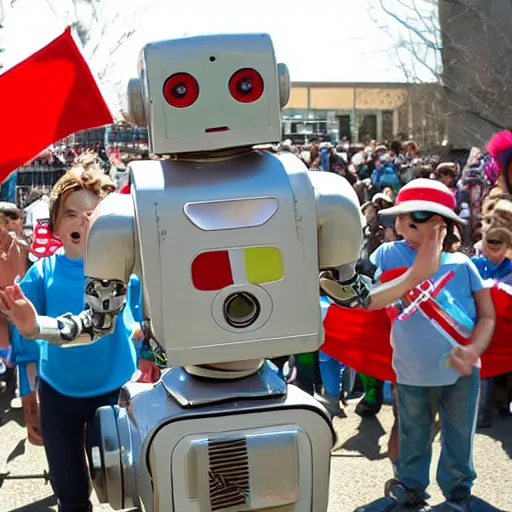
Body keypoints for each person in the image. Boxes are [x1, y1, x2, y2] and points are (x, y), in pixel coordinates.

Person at [0, 154, 148, 512]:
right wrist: (30, 393)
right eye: (71, 212)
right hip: (57, 395)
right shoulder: (41, 274)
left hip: (114, 391)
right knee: (70, 492)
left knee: (125, 486)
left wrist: (144, 348)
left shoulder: (126, 272)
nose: (83, 219)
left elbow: (142, 321)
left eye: (93, 211)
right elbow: (27, 335)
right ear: (55, 227)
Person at [356, 179, 496, 512]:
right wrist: (414, 274)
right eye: (401, 218)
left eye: (413, 218)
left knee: (458, 437)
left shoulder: (462, 265)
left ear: (442, 224)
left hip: (460, 372)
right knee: (413, 433)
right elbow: (366, 299)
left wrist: (474, 349)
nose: (403, 225)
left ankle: (460, 494)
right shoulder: (388, 255)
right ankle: (410, 487)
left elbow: (487, 316)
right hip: (410, 370)